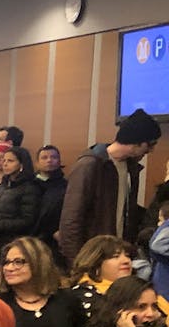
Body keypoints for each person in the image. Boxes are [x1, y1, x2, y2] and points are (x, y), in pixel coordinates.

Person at [59, 108, 162, 264]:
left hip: (118, 254)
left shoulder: (131, 167)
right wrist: (77, 263)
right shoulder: (90, 165)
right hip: (93, 257)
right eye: (150, 144)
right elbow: (71, 219)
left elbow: (127, 211)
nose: (151, 150)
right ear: (136, 141)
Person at [0, 146, 41, 247]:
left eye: (10, 161)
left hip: (14, 241)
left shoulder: (29, 187)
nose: (5, 164)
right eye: (4, 160)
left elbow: (27, 221)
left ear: (21, 164)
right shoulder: (4, 184)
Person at [69, 235, 138, 317]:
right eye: (115, 256)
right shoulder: (81, 295)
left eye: (127, 256)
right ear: (96, 263)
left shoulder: (141, 290)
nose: (126, 261)